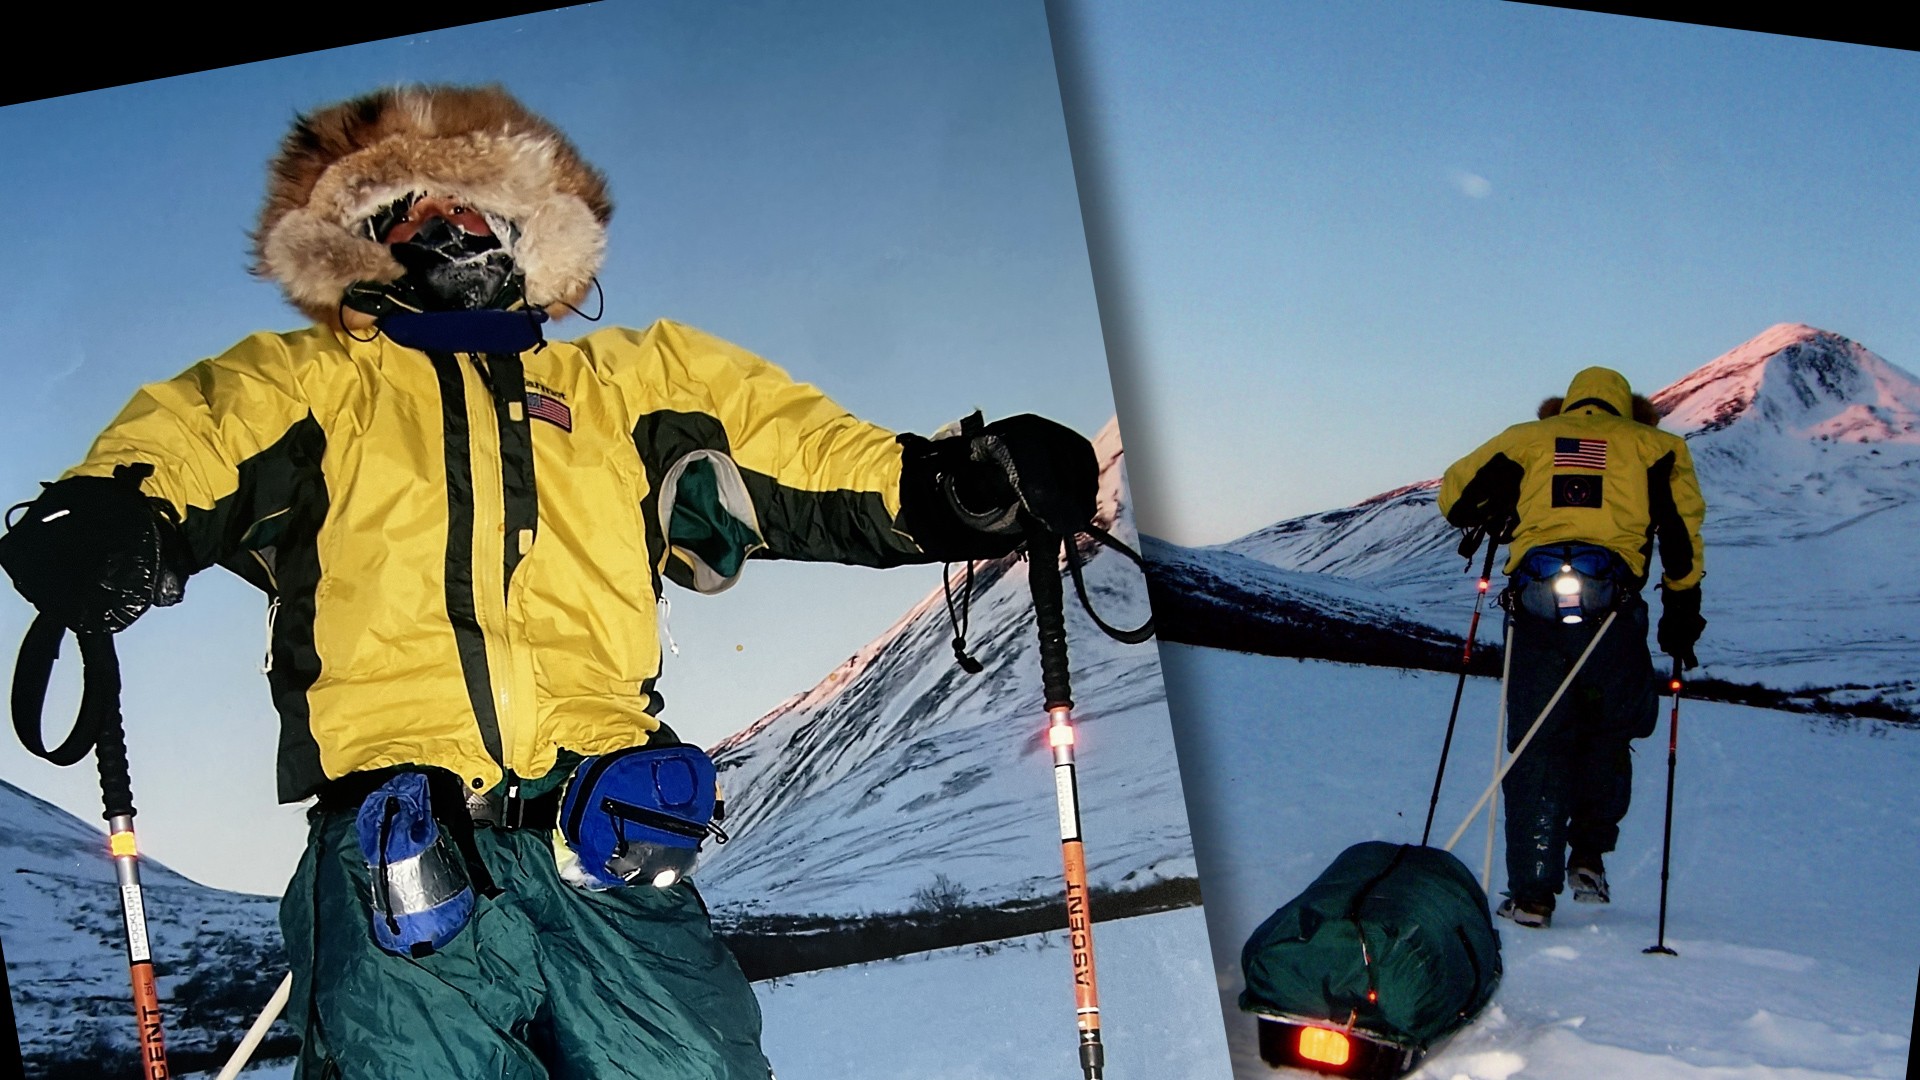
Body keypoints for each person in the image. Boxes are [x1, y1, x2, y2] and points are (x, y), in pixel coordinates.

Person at [0, 84, 1097, 1079]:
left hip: (610, 835)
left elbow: (803, 452)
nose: (453, 226)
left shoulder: (632, 383)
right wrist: (112, 512)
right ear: (365, 241)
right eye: (414, 210)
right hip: (397, 847)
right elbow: (190, 438)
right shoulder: (311, 386)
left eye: (479, 206)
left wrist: (959, 482)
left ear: (533, 232)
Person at [1438, 366, 1705, 929]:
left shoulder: (1527, 440)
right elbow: (1681, 535)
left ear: (1566, 405)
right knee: (1610, 728)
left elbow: (1455, 500)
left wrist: (1504, 510)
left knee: (1536, 743)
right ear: (1628, 409)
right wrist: (1682, 609)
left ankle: (1532, 895)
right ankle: (1588, 855)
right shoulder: (1658, 447)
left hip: (1534, 612)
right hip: (1613, 611)